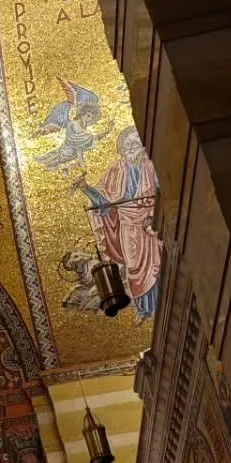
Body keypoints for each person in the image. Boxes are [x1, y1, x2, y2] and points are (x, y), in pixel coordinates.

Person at [82, 128, 161, 321]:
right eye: (127, 145)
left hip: (151, 219)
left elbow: (164, 189)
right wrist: (86, 189)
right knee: (134, 267)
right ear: (121, 149)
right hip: (128, 224)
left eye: (135, 143)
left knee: (157, 262)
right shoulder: (117, 170)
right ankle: (145, 310)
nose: (131, 148)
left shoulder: (151, 165)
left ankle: (162, 301)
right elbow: (105, 203)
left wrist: (157, 213)